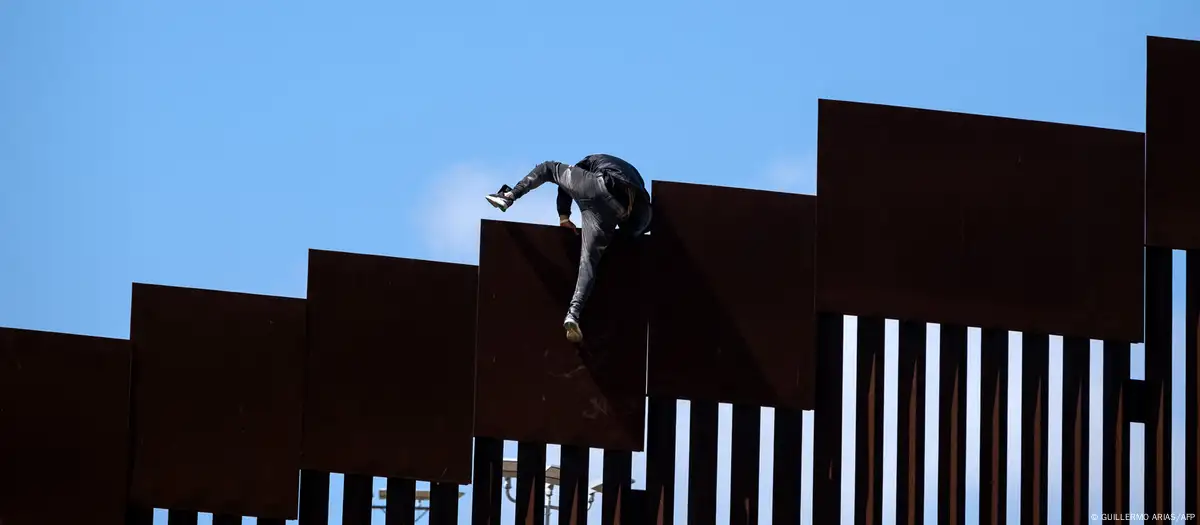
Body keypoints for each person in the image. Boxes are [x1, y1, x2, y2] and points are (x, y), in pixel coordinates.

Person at [485, 153, 652, 343]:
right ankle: (573, 314)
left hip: (598, 186)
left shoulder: (589, 162)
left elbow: (565, 185)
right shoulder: (633, 176)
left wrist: (564, 217)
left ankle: (508, 196)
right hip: (619, 211)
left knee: (548, 167)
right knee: (588, 263)